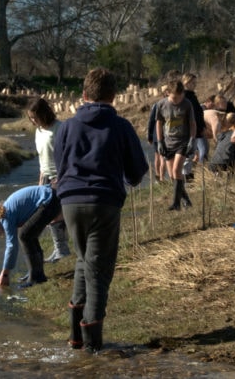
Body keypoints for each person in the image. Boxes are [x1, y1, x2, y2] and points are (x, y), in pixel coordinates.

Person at [53, 68, 148, 353]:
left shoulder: (67, 126)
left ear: (83, 95)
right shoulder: (120, 126)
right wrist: (130, 178)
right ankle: (93, 348)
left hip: (70, 201)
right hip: (104, 201)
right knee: (100, 272)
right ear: (114, 96)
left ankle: (76, 339)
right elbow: (136, 171)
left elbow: (59, 164)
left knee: (84, 260)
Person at [0, 184, 61, 288]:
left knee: (24, 236)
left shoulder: (5, 218)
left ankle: (36, 278)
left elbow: (11, 246)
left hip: (49, 200)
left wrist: (5, 273)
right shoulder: (4, 213)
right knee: (30, 235)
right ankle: (36, 273)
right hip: (51, 197)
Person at [27, 97, 70, 263]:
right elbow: (41, 158)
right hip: (45, 176)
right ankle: (58, 248)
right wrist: (40, 180)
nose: (33, 121)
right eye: (30, 118)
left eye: (35, 117)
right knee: (47, 214)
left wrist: (62, 175)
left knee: (55, 214)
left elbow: (67, 153)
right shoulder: (38, 131)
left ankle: (62, 250)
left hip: (59, 175)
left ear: (44, 113)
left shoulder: (59, 128)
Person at [155, 80, 196, 211]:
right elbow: (159, 123)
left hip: (182, 142)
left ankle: (175, 204)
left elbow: (192, 123)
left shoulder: (187, 104)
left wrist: (192, 140)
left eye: (180, 97)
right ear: (167, 93)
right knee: (173, 176)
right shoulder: (161, 105)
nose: (177, 100)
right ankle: (186, 200)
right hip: (168, 143)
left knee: (176, 171)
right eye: (174, 98)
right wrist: (160, 141)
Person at [181, 72, 206, 176]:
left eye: (195, 83)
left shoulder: (191, 95)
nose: (195, 85)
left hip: (196, 129)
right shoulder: (185, 96)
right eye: (193, 83)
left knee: (193, 154)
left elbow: (197, 113)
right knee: (189, 155)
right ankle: (186, 177)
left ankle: (189, 175)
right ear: (186, 83)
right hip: (190, 130)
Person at [146, 85, 169, 183]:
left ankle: (159, 178)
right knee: (161, 156)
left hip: (157, 134)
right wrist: (150, 135)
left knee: (159, 156)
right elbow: (151, 121)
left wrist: (150, 135)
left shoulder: (156, 105)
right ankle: (161, 178)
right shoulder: (160, 105)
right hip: (162, 134)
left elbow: (151, 121)